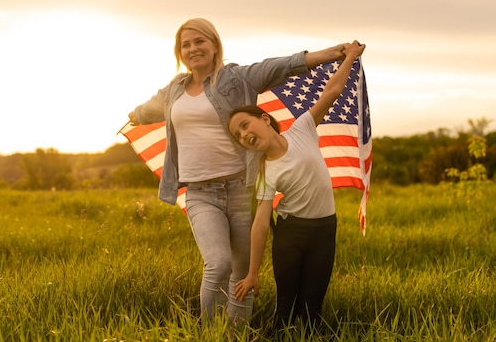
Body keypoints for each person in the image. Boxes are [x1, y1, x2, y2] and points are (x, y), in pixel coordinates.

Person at [127, 17, 354, 325]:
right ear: (180, 53)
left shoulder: (239, 78)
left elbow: (283, 65)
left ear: (214, 44)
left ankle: (236, 334)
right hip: (200, 192)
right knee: (218, 264)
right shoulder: (174, 91)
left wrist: (333, 53)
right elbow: (150, 109)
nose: (193, 48)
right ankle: (210, 333)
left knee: (241, 271)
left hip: (241, 188)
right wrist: (135, 115)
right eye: (186, 45)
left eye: (199, 41)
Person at [229, 40, 366, 333]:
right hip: (291, 236)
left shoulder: (302, 128)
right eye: (238, 135)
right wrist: (252, 273)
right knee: (286, 309)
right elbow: (261, 224)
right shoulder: (266, 172)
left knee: (312, 308)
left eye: (244, 125)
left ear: (264, 119)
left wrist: (350, 57)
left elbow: (332, 91)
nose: (244, 134)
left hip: (325, 230)